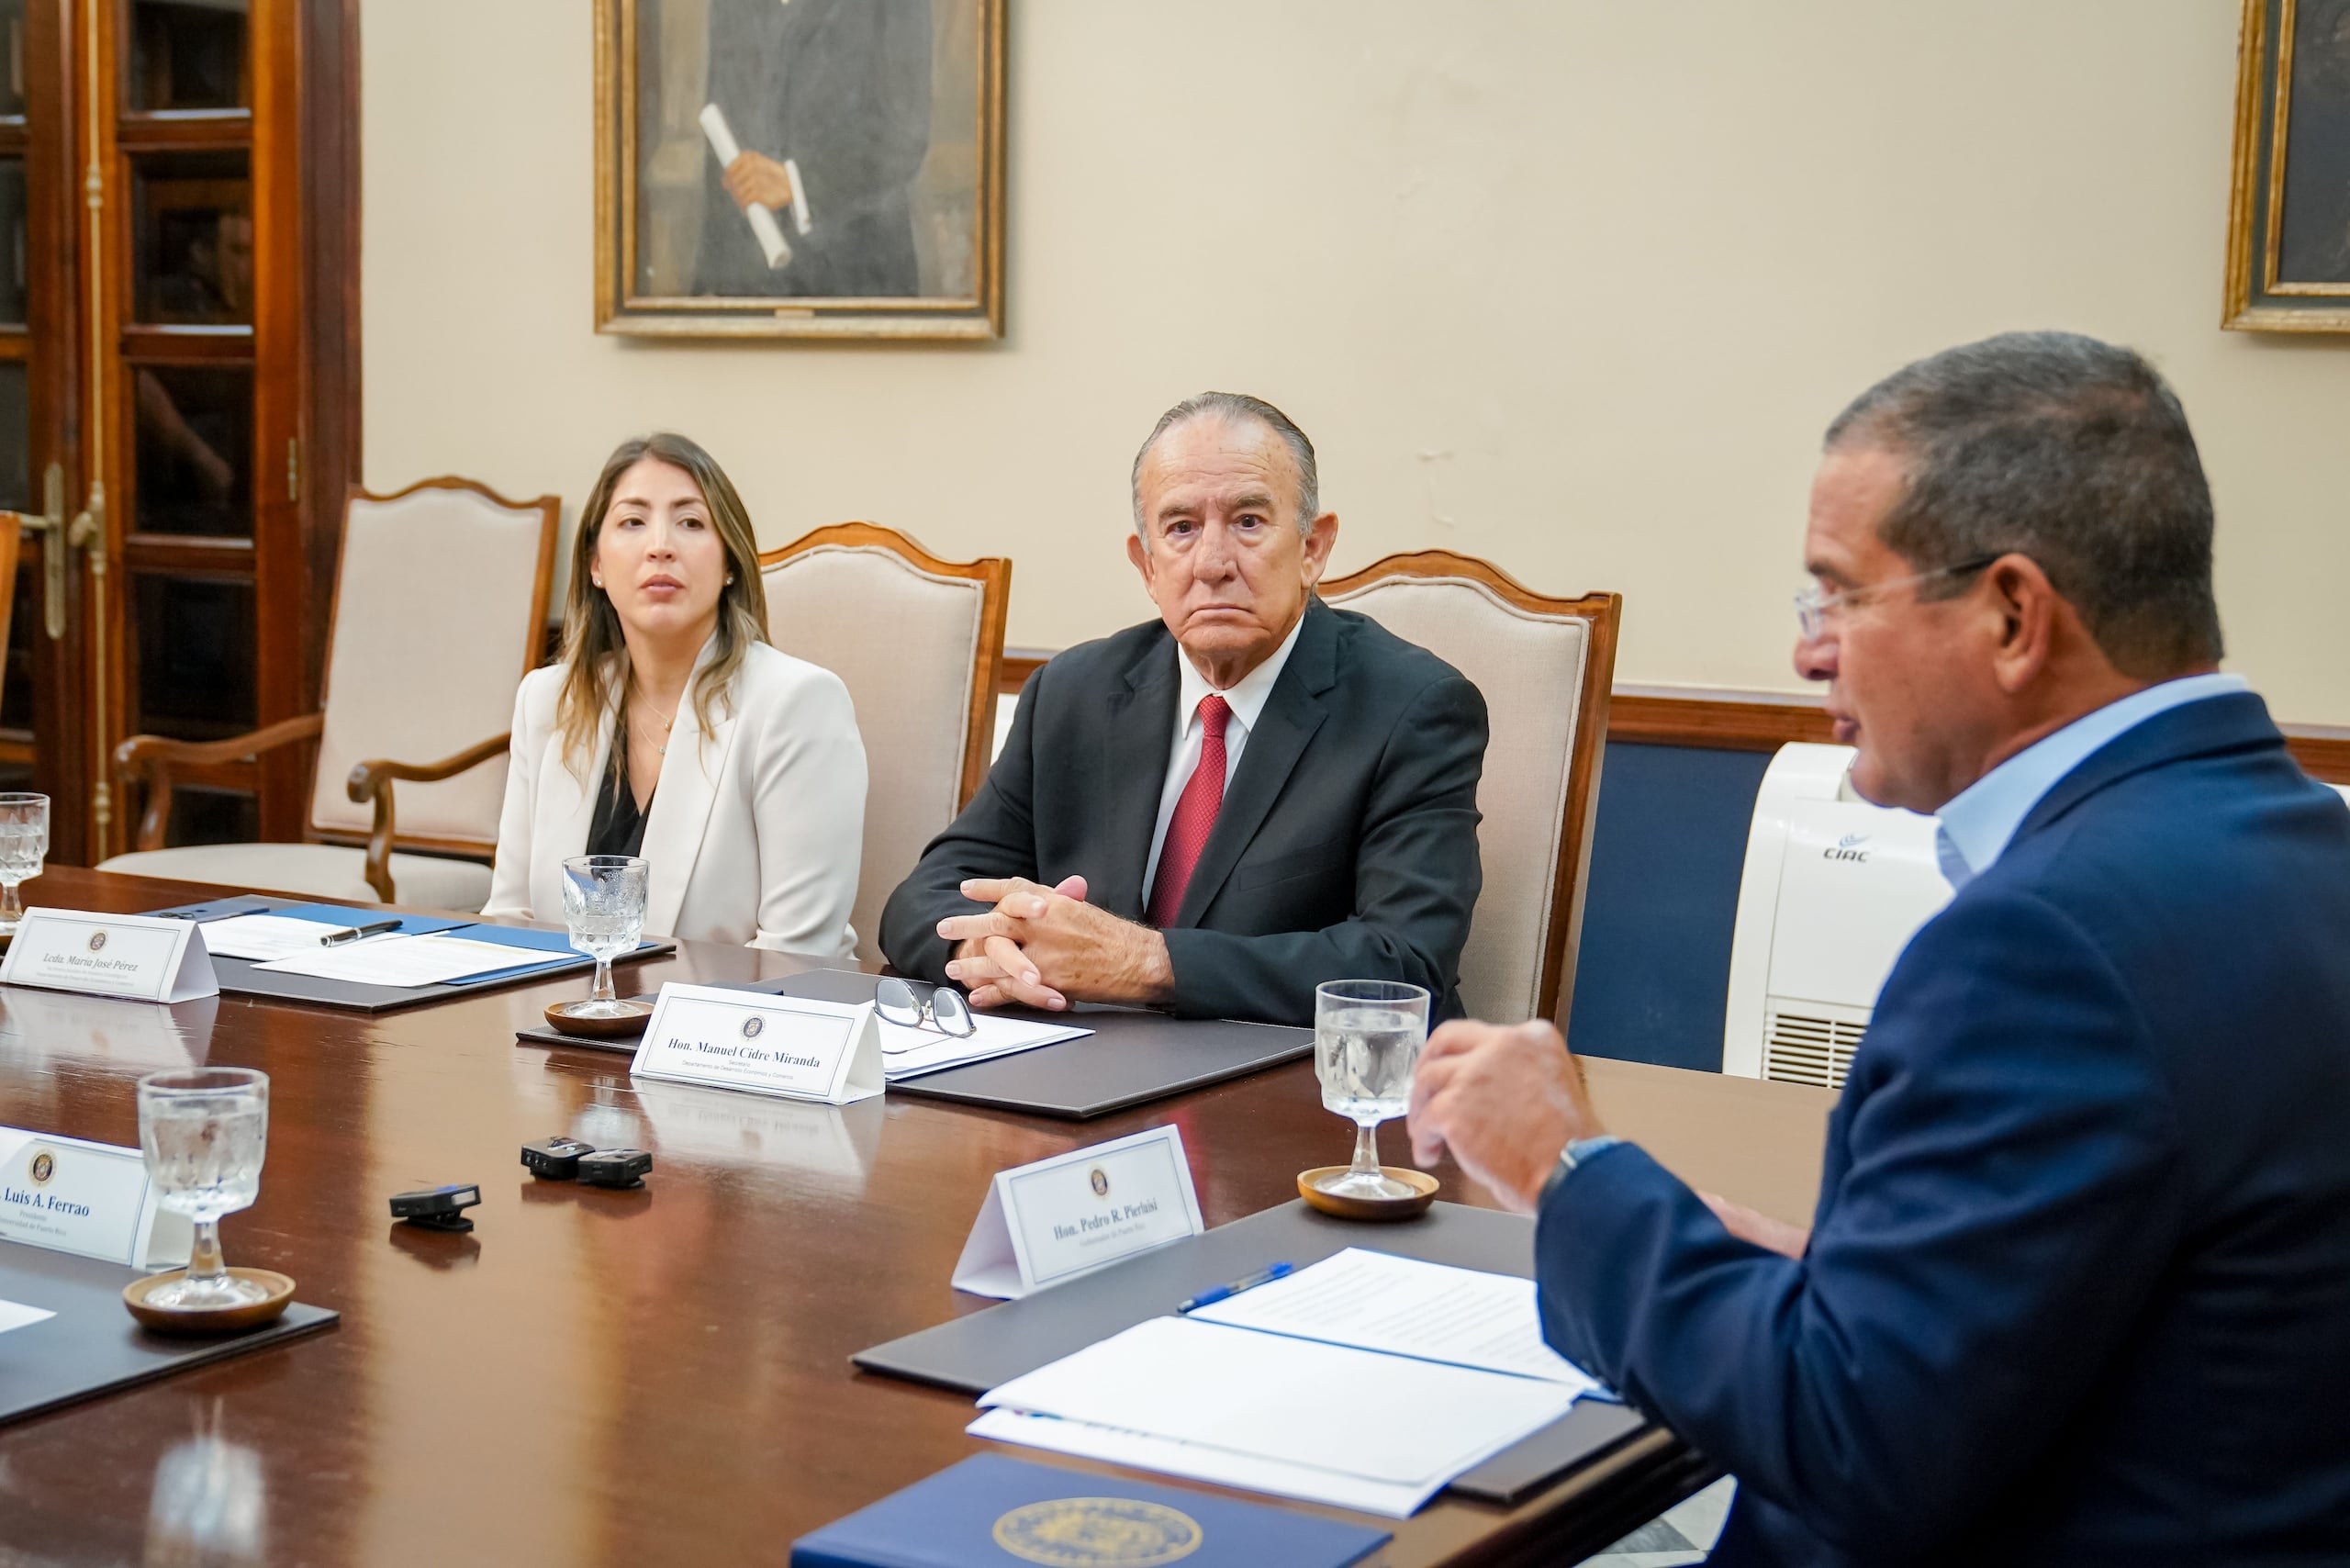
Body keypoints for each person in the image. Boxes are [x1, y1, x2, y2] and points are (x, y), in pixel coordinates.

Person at [1406, 332, 2350, 1564]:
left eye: (1840, 594)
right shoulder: (2303, 850)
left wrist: (1561, 1166)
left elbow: (1847, 1438)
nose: (1809, 650)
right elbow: (2152, 1303)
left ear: (2014, 613)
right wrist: (1839, 1268)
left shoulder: (2044, 946)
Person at [878, 392, 1489, 1025]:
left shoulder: (1414, 710)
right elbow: (925, 895)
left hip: (1292, 1095)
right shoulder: (1073, 691)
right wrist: (984, 946)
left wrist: (1144, 963)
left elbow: (1403, 963)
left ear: (1313, 547)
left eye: (1249, 521)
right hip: (1084, 1081)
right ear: (1146, 565)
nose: (1213, 563)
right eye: (1181, 529)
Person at [485, 432, 866, 958]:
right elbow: (511, 922)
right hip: (560, 1019)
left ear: (730, 562)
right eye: (632, 522)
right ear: (595, 564)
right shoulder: (549, 699)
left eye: (690, 522)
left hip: (735, 1030)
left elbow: (795, 952)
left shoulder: (797, 703)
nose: (660, 545)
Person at [697, 0, 933, 299]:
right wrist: (709, 282)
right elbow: (723, 128)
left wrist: (796, 182)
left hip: (858, 281)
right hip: (747, 288)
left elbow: (905, 136)